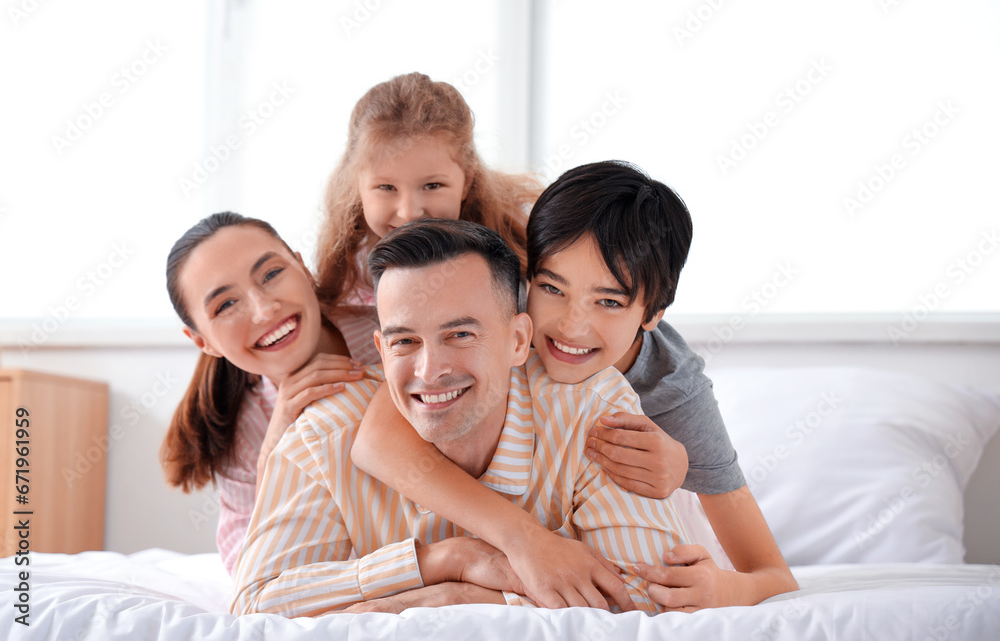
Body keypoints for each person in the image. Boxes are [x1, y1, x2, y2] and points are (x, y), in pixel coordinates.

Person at [352, 161, 798, 611]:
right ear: (529, 278)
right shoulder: (501, 319)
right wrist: (524, 539)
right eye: (552, 288)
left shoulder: (673, 390)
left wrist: (726, 586)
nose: (570, 326)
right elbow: (375, 442)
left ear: (652, 313)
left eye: (608, 301)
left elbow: (773, 573)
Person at [231, 219, 690, 617]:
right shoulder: (321, 439)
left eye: (460, 334)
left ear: (517, 340)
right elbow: (256, 607)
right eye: (404, 342)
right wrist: (443, 563)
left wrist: (456, 600)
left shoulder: (591, 411)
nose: (430, 372)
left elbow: (648, 601)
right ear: (380, 349)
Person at [159, 212, 381, 575]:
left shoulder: (391, 326)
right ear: (203, 342)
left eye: (272, 274)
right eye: (226, 305)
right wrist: (273, 457)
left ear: (303, 268)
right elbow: (253, 573)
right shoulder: (247, 429)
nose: (265, 310)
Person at [314, 71, 541, 307]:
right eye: (386, 187)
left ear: (467, 181)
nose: (409, 212)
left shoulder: (518, 243)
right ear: (357, 187)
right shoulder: (352, 277)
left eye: (433, 185)